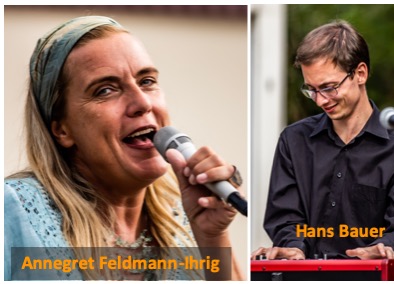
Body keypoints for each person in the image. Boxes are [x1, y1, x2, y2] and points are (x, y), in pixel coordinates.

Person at [4, 16, 243, 280]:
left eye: (147, 81)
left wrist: (212, 237)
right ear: (62, 130)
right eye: (105, 90)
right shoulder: (14, 209)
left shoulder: (188, 218)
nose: (142, 102)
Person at [253, 20, 394, 261]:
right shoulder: (293, 141)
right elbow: (283, 217)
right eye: (311, 89)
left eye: (329, 87)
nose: (320, 100)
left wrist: (382, 248)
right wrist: (293, 246)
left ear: (360, 74)